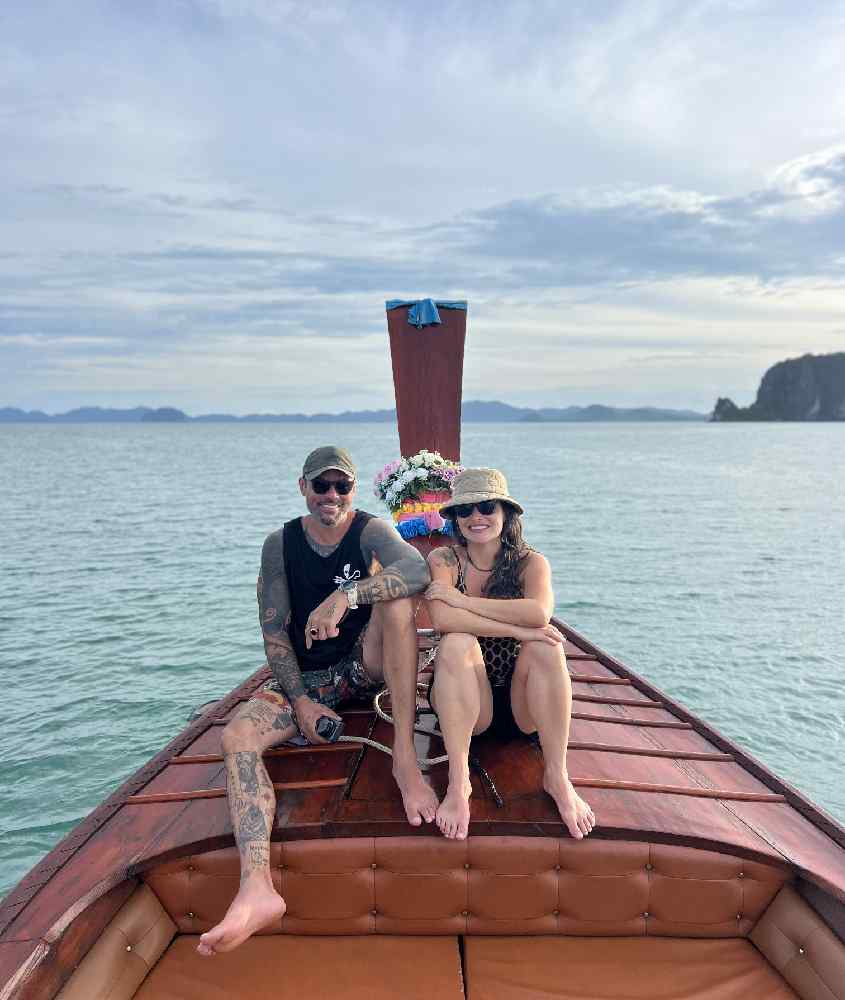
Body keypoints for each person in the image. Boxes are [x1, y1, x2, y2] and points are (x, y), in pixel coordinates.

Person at [197, 446, 436, 956]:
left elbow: (417, 571)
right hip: (307, 680)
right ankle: (256, 886)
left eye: (341, 486)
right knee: (236, 736)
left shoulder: (368, 530)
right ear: (302, 487)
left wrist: (346, 596)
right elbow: (276, 635)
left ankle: (406, 764)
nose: (331, 496)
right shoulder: (279, 544)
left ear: (353, 490)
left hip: (362, 664)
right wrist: (301, 702)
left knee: (396, 601)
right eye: (320, 486)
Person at [425, 468, 596, 842]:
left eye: (486, 506)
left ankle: (557, 775)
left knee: (545, 646)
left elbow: (539, 614)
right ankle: (459, 782)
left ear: (505, 513)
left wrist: (464, 601)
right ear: (455, 518)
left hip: (521, 704)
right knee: (456, 641)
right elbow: (442, 617)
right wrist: (516, 628)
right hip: (469, 702)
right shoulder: (445, 560)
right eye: (466, 510)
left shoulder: (530, 563)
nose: (476, 517)